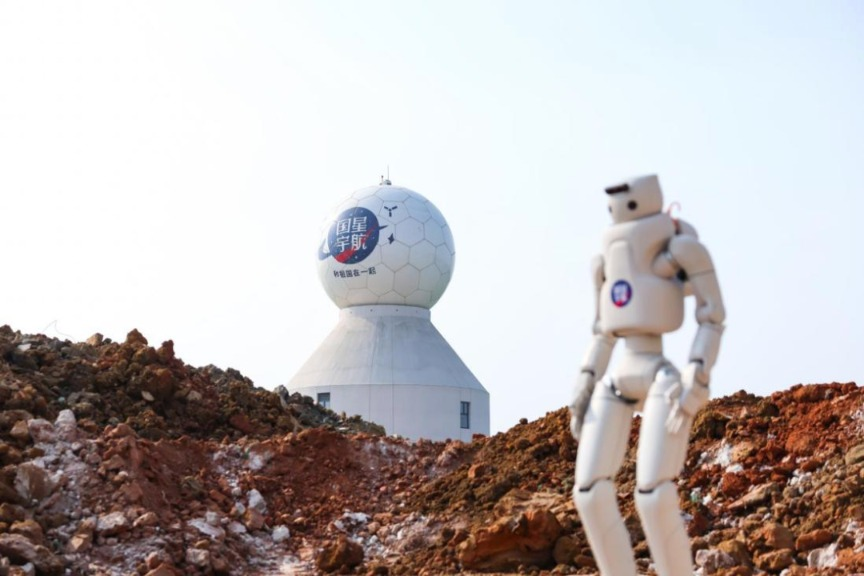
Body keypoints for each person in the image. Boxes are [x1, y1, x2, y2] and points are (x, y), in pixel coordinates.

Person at [569, 174, 725, 576]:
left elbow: (712, 316)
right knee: (588, 492)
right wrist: (586, 380)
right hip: (617, 378)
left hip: (661, 376)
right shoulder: (605, 262)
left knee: (654, 495)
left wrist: (698, 374)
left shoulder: (677, 250)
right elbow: (603, 331)